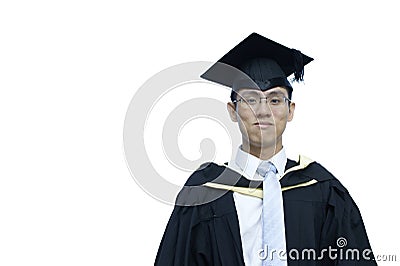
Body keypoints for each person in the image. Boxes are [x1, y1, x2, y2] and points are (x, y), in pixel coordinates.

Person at [155, 33, 376, 266]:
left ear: (290, 110)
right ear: (232, 111)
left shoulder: (323, 189)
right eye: (250, 100)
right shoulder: (204, 192)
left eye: (275, 100)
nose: (263, 111)